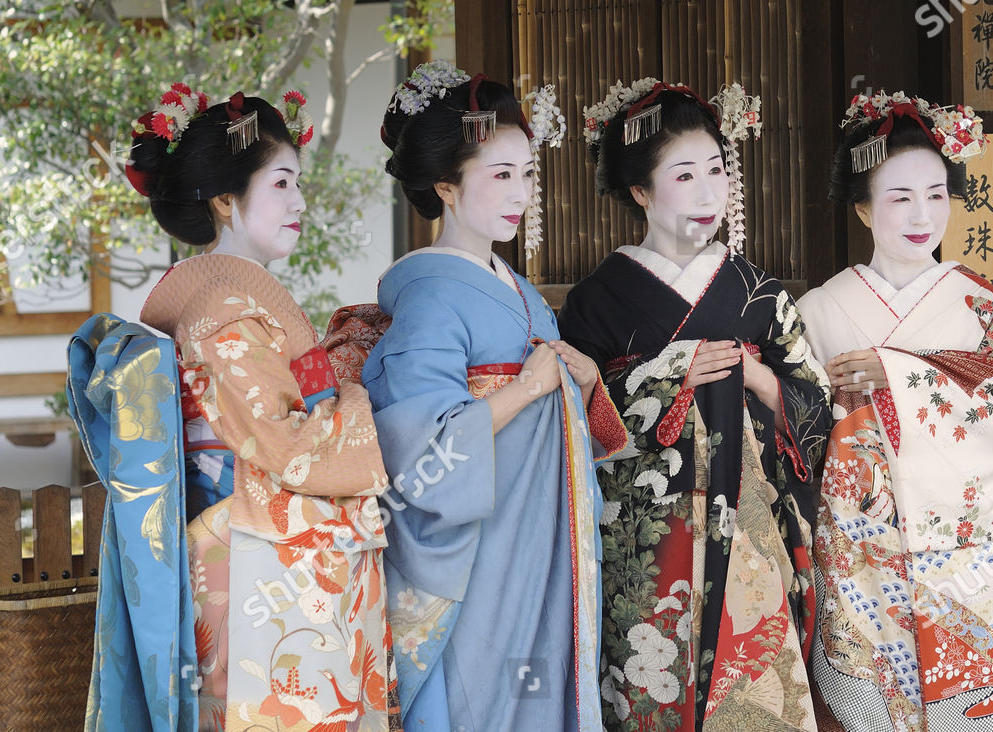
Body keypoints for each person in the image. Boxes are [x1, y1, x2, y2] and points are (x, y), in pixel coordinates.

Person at [354, 64, 628, 731]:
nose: (521, 193)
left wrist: (579, 382)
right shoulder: (429, 296)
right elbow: (420, 448)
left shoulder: (519, 288)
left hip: (540, 536)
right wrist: (531, 387)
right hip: (480, 552)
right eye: (499, 175)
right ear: (445, 186)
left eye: (527, 174)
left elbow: (561, 422)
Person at [114, 84, 395, 731]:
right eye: (281, 183)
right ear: (223, 199)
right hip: (249, 552)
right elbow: (289, 448)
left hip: (255, 538)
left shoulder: (235, 300)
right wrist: (355, 396)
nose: (300, 201)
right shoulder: (221, 311)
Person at [558, 79, 831, 731]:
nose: (710, 191)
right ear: (640, 191)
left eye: (717, 170)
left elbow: (817, 405)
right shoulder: (597, 302)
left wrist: (766, 386)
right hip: (644, 548)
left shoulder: (756, 291)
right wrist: (664, 377)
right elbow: (571, 421)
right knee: (652, 695)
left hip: (749, 537)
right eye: (685, 175)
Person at [799, 93, 993, 732]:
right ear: (862, 207)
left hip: (964, 542)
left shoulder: (979, 300)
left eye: (936, 194)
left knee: (968, 704)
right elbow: (799, 427)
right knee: (867, 707)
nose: (922, 214)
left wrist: (898, 374)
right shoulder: (820, 309)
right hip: (859, 546)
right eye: (900, 197)